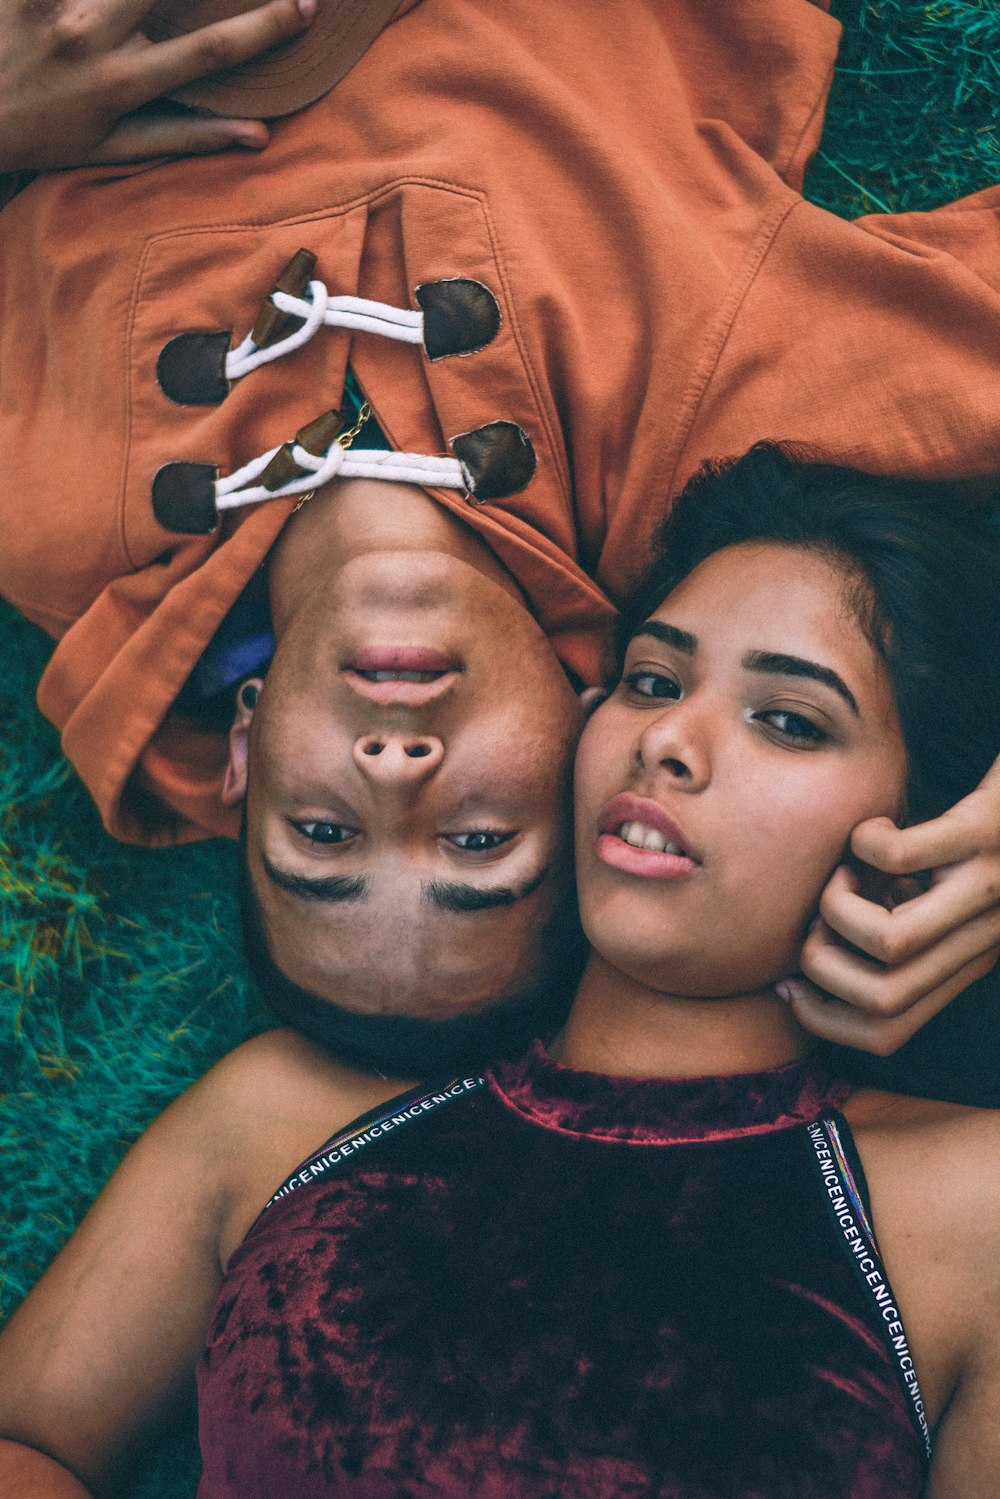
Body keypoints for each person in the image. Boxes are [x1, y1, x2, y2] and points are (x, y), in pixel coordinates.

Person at [3, 0, 1000, 1057]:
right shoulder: (703, 436)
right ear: (586, 745)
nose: (395, 764)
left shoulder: (43, 518)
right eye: (478, 840)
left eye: (324, 833)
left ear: (243, 751)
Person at [2, 443, 998, 1496]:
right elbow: (28, 1439)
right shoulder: (276, 1118)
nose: (667, 736)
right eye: (651, 678)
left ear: (939, 836)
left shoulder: (968, 1199)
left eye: (789, 721)